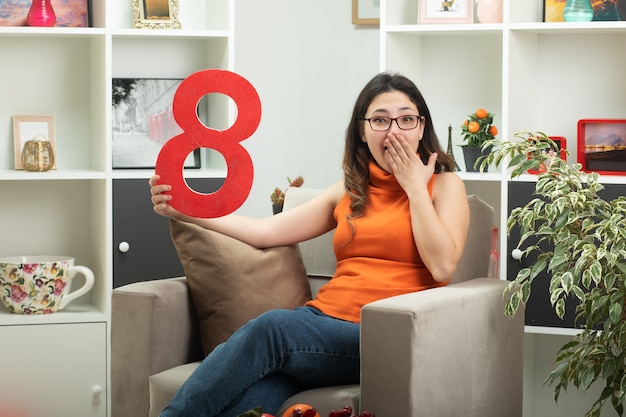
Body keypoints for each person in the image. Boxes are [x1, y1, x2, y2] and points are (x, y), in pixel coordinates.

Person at [149, 72, 470, 417]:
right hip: (319, 325)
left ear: (422, 128)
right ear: (362, 131)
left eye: (406, 119)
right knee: (252, 401)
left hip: (380, 336)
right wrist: (185, 210)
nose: (394, 131)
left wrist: (414, 188)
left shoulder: (446, 186)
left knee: (273, 327)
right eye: (380, 120)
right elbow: (265, 232)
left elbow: (442, 266)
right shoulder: (348, 190)